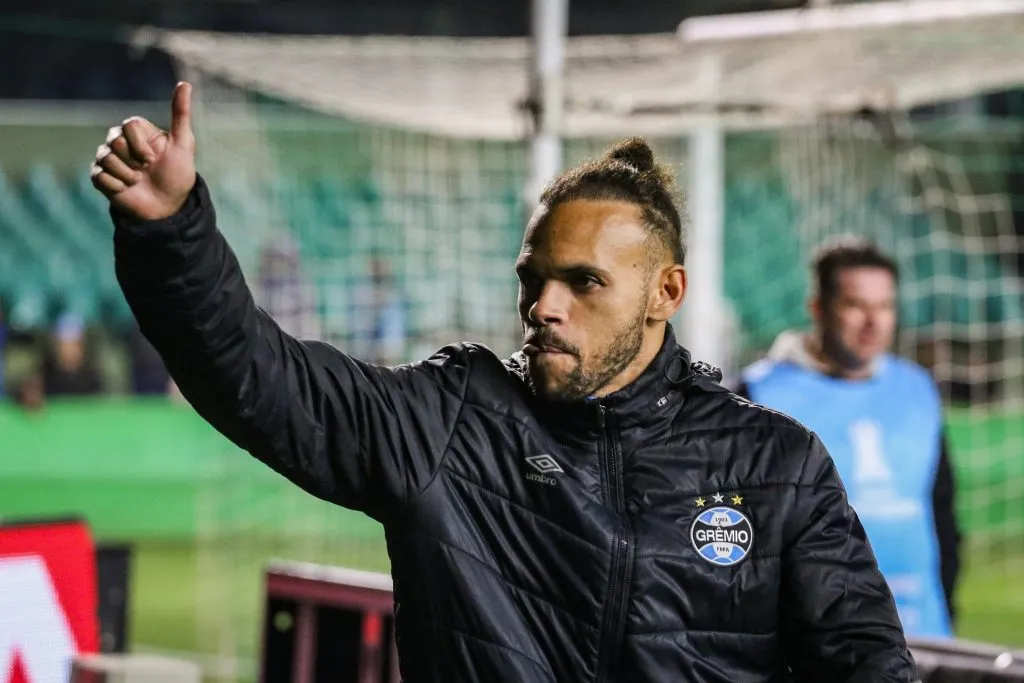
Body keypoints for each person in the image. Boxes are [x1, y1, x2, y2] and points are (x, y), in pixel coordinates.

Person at [91, 83, 919, 682]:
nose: (543, 305)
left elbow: (867, 660)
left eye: (584, 282)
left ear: (666, 293)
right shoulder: (452, 420)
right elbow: (254, 374)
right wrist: (171, 231)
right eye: (534, 277)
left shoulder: (777, 463)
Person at [736, 237, 961, 639]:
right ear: (818, 309)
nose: (873, 323)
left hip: (922, 634)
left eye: (885, 306)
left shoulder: (917, 389)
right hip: (812, 645)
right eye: (856, 306)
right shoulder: (759, 396)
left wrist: (947, 606)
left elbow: (940, 510)